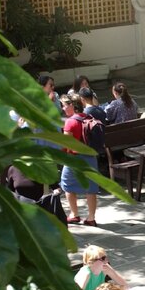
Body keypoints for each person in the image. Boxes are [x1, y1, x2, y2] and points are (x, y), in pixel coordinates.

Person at [59, 95, 100, 226]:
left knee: (67, 186)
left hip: (74, 159)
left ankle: (74, 214)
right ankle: (91, 218)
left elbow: (66, 145)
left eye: (65, 105)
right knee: (91, 188)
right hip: (90, 157)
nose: (63, 108)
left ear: (72, 105)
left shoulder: (70, 122)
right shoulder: (89, 118)